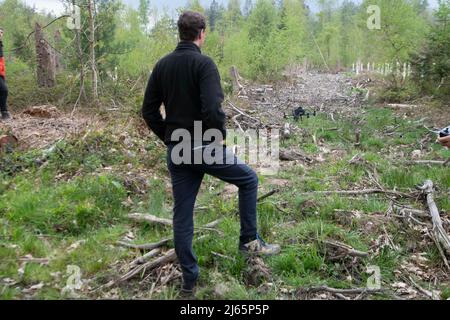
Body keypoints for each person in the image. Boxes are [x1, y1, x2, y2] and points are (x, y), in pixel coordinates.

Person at [142, 11, 280, 295]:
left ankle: (189, 281)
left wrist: (168, 138)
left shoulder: (162, 65)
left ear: (179, 32)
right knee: (249, 179)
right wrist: (215, 139)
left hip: (178, 149)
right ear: (201, 33)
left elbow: (148, 111)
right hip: (203, 146)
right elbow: (213, 109)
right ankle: (248, 243)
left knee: (182, 215)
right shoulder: (204, 64)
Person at [0, 27, 11, 120]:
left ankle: (4, 113)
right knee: (4, 90)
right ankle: (4, 112)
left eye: (2, 32)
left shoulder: (0, 44)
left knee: (3, 90)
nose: (0, 34)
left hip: (1, 73)